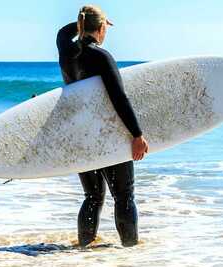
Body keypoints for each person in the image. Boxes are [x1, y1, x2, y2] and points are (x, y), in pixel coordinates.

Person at [57, 4, 147, 247]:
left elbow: (63, 33)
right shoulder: (101, 57)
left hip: (79, 134)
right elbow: (119, 97)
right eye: (105, 27)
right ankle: (130, 249)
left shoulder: (66, 51)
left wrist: (80, 24)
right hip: (106, 134)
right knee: (124, 196)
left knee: (93, 196)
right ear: (101, 29)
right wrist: (137, 134)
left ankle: (84, 246)